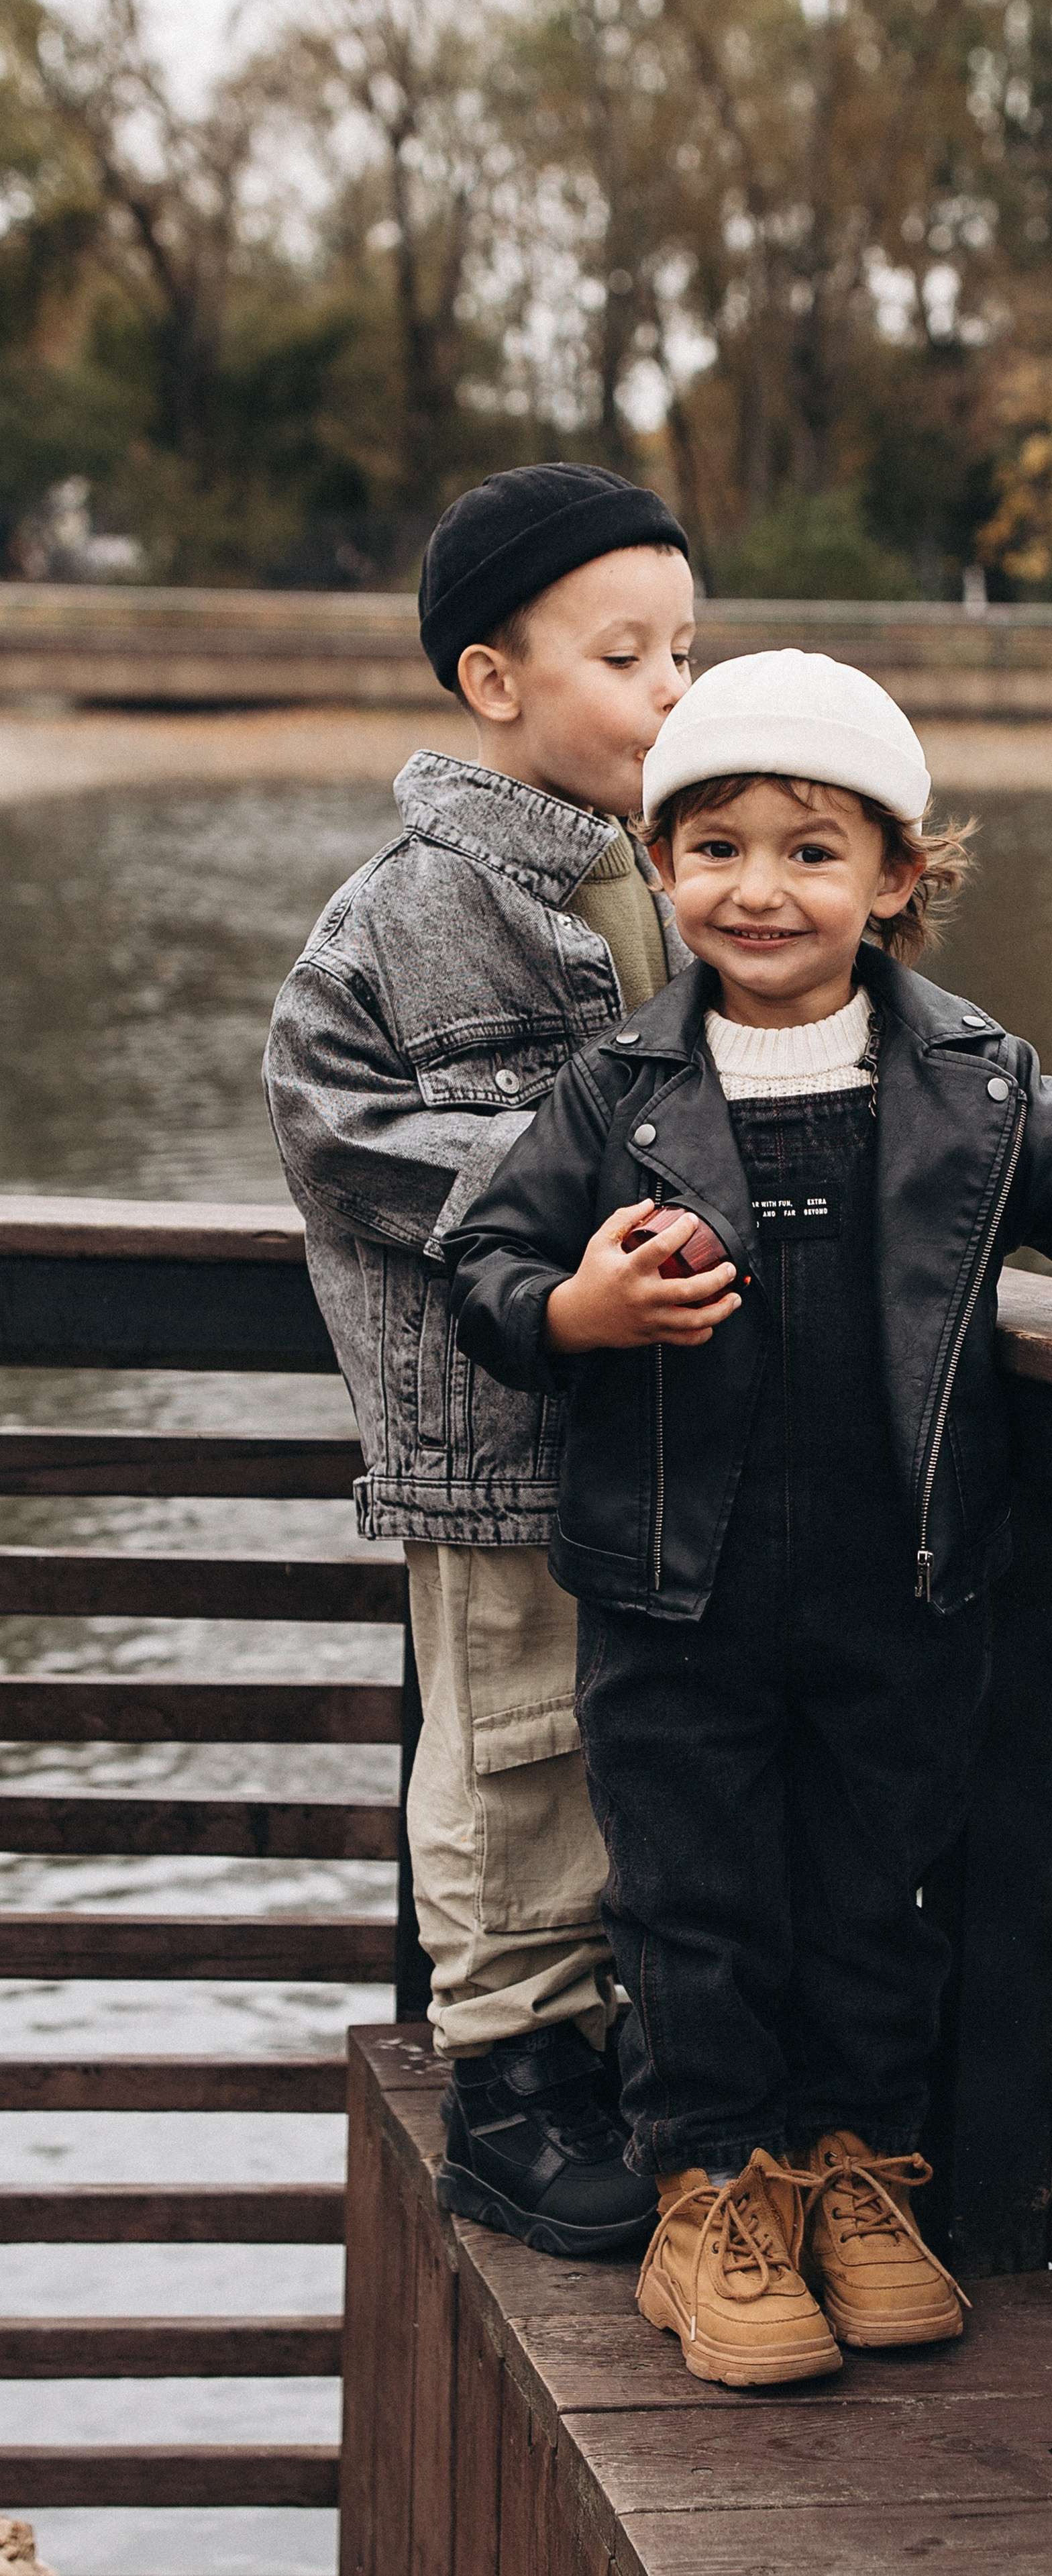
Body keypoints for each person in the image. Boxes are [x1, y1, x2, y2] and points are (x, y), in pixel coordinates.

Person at [445, 649, 1052, 2387]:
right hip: (676, 1596)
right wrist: (576, 1309)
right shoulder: (618, 1088)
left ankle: (851, 2175)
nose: (759, 885)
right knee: (698, 1907)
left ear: (896, 876)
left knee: (878, 1900)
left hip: (904, 1581)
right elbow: (481, 1261)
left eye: (811, 850)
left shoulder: (973, 1077)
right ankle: (712, 2198)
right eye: (713, 844)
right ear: (660, 867)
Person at [264, 463, 699, 2257]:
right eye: (627, 653)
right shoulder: (397, 920)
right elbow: (340, 1133)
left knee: (646, 1733)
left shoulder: (678, 877)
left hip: (670, 1418)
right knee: (518, 1737)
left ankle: (631, 2039)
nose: (675, 688)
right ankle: (514, 2075)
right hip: (497, 1425)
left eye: (689, 647)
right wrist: (589, 1200)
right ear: (494, 682)